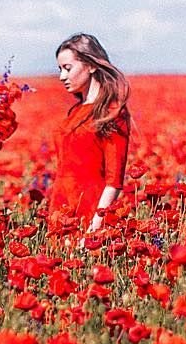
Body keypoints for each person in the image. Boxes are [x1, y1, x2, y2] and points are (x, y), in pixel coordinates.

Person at [47, 33, 131, 232]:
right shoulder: (75, 112)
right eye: (60, 69)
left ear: (91, 65)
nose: (61, 77)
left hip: (90, 212)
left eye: (68, 68)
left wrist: (93, 229)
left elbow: (114, 182)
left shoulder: (111, 112)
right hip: (60, 208)